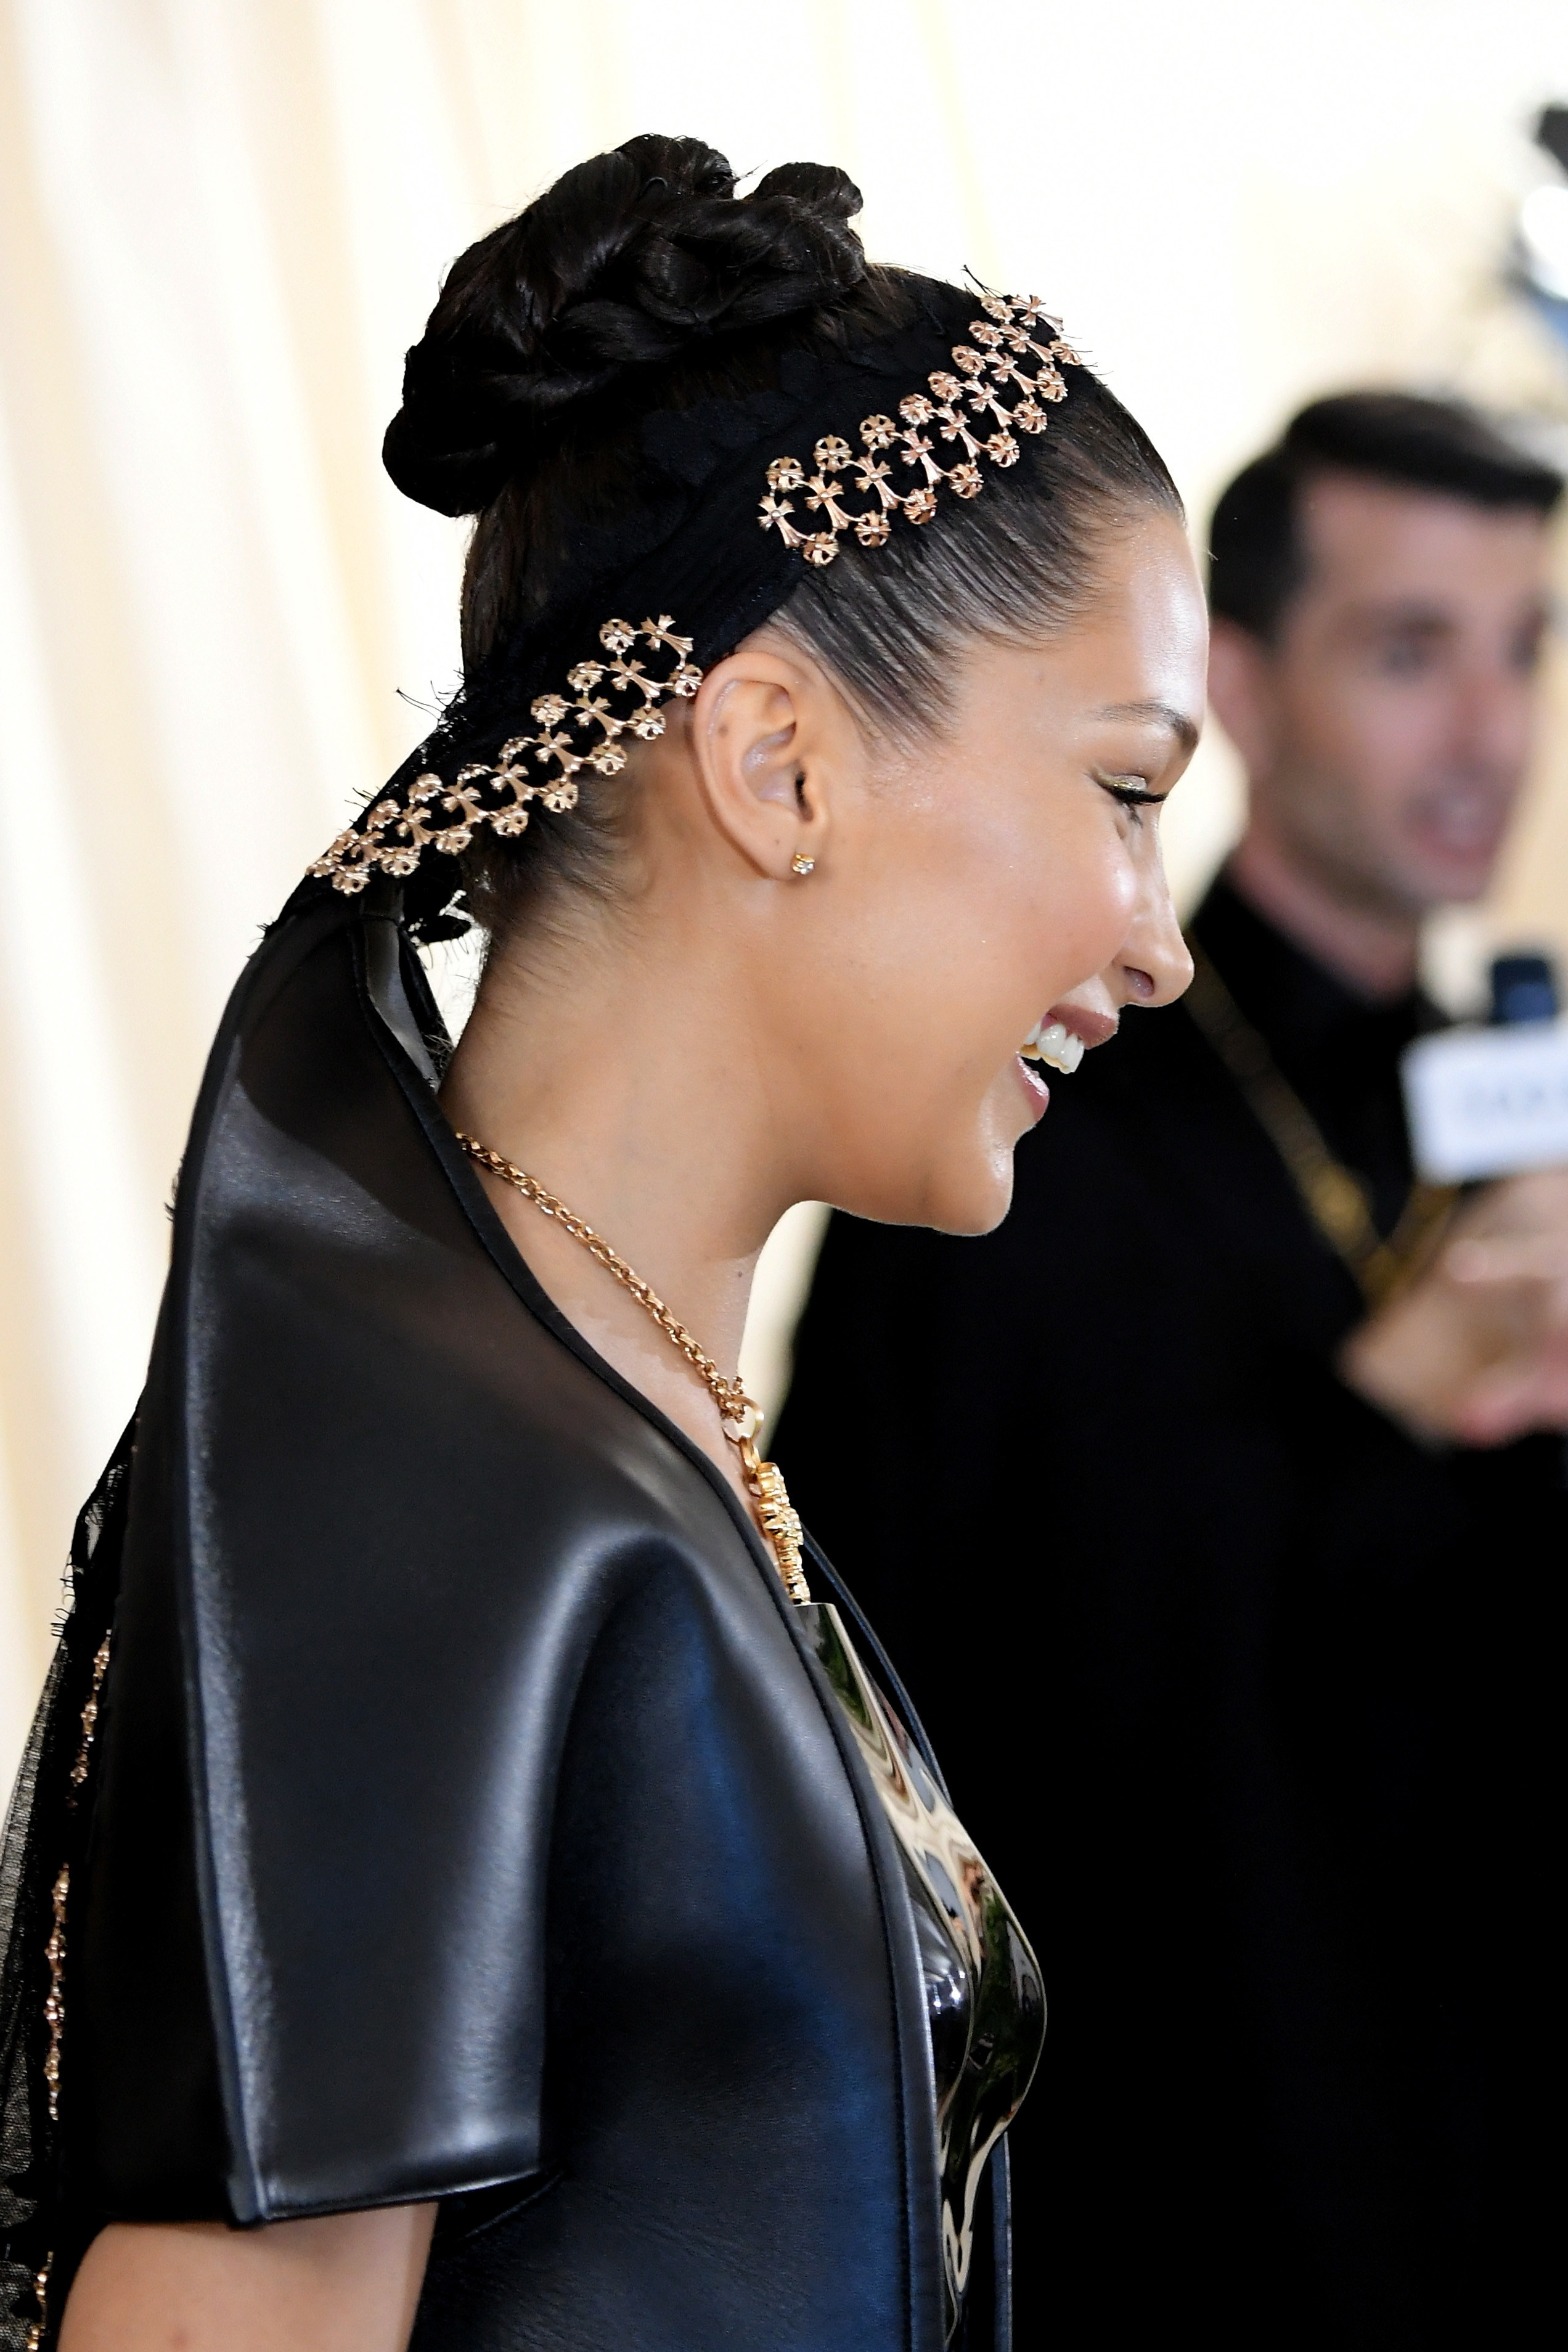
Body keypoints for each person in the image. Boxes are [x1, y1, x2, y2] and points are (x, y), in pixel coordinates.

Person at [0, 136, 1201, 2352]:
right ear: (775, 759)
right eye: (1127, 792)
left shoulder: (578, 1419)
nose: (1159, 943)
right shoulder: (416, 1470)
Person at [777, 391, 1568, 2351]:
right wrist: (1378, 1420)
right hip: (1199, 2210)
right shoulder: (1015, 1118)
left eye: (1528, 646)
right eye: (1409, 653)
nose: (1490, 731)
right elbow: (922, 1722)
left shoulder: (1514, 1096)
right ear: (1238, 680)